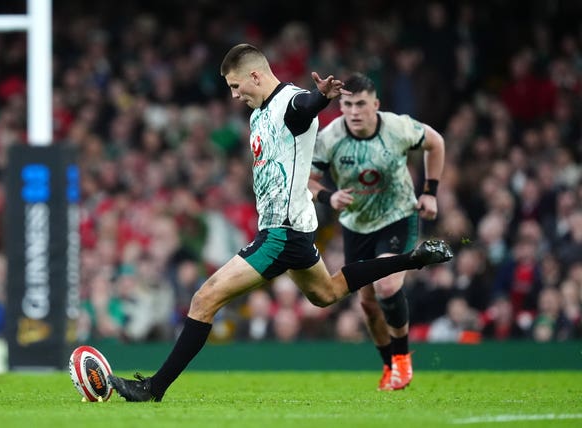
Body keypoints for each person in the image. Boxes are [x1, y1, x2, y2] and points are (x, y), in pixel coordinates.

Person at [108, 44, 452, 402]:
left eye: (236, 86)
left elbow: (304, 109)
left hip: (281, 234)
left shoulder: (291, 101)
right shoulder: (259, 112)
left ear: (256, 75)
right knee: (328, 293)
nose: (235, 94)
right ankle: (413, 259)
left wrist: (320, 97)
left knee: (204, 299)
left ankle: (153, 388)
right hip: (294, 230)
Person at [309, 72, 446, 390]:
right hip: (356, 226)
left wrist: (430, 191)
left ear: (376, 104)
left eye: (361, 104)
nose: (354, 111)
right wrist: (329, 196)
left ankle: (402, 360)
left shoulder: (397, 127)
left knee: (386, 287)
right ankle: (390, 367)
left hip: (397, 216)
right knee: (368, 305)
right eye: (347, 104)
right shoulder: (330, 138)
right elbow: (308, 179)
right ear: (340, 106)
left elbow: (435, 143)